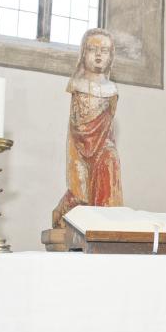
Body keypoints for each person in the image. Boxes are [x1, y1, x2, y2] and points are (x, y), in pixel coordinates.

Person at [52, 28, 123, 228]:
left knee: (111, 160)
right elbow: (78, 123)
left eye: (105, 50)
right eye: (93, 49)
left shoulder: (113, 90)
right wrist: (88, 141)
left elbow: (109, 126)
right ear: (83, 53)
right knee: (79, 193)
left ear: (111, 56)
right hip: (80, 147)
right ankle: (62, 215)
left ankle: (106, 223)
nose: (99, 54)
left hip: (103, 147)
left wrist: (104, 146)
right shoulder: (77, 84)